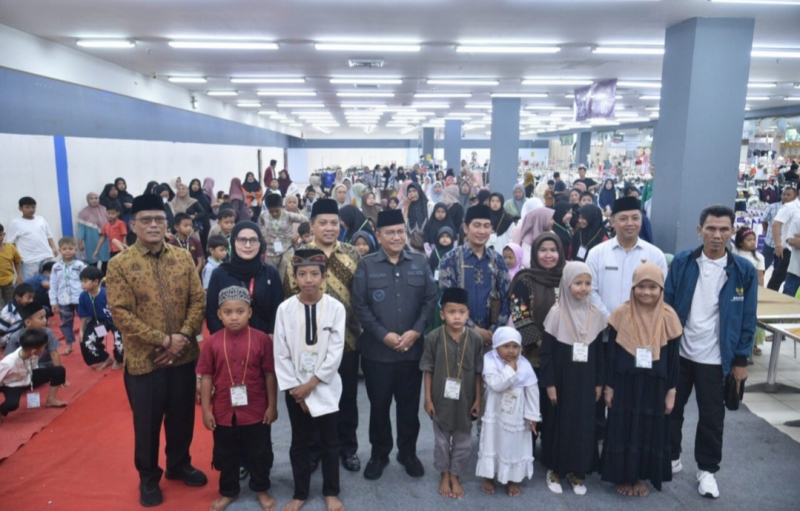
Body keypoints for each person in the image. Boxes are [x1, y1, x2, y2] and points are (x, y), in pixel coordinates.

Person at [107, 194, 208, 507]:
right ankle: (148, 477)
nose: (153, 225)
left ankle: (178, 464)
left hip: (182, 357)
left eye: (159, 220)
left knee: (181, 418)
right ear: (134, 224)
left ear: (168, 224)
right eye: (146, 220)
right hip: (144, 360)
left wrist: (180, 337)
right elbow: (121, 313)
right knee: (147, 424)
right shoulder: (119, 264)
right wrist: (164, 340)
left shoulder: (182, 257)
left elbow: (198, 300)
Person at [664, 205, 757, 499]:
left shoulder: (743, 270)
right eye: (711, 229)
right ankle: (671, 455)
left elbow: (748, 318)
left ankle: (707, 470)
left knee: (712, 418)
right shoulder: (682, 262)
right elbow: (667, 306)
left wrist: (741, 360)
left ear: (732, 232)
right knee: (671, 410)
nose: (717, 235)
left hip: (717, 359)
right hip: (680, 352)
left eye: (724, 230)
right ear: (699, 230)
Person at [352, 209, 438, 481]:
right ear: (378, 235)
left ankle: (408, 453)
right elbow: (360, 305)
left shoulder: (419, 261)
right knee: (378, 407)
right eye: (390, 232)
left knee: (408, 407)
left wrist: (416, 331)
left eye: (401, 231)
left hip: (412, 352)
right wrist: (382, 334)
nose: (397, 236)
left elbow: (430, 301)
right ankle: (379, 454)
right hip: (378, 352)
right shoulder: (366, 265)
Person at [284, 199, 362, 473]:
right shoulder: (298, 257)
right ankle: (315, 449)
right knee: (314, 398)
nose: (329, 228)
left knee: (347, 398)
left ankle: (347, 447)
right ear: (312, 225)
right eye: (323, 223)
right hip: (309, 346)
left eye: (334, 223)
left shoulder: (352, 254)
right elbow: (289, 300)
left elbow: (360, 297)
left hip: (348, 342)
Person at [601, 263, 682, 497]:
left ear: (661, 289)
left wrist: (672, 391)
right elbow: (611, 356)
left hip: (655, 385)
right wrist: (609, 386)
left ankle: (640, 477)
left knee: (649, 429)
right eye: (641, 287)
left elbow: (674, 360)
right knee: (623, 427)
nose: (646, 292)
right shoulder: (622, 313)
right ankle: (624, 476)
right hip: (625, 383)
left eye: (653, 287)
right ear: (633, 287)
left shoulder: (669, 316)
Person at [274, 249, 346, 511]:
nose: (308, 280)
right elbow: (280, 352)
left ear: (324, 277)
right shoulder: (284, 309)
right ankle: (300, 493)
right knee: (299, 442)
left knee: (330, 441)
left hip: (325, 386)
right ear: (294, 278)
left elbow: (335, 352)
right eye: (302, 274)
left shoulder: (336, 308)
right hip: (295, 389)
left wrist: (311, 385)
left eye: (314, 274)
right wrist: (297, 389)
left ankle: (331, 492)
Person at [198, 286, 278, 511]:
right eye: (228, 312)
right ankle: (228, 491)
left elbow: (270, 374)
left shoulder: (262, 340)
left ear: (250, 313)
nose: (234, 317)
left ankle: (261, 488)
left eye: (240, 311)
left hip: (256, 408)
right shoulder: (213, 342)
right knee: (226, 452)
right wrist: (206, 410)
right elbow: (206, 377)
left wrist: (272, 405)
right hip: (224, 410)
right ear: (219, 314)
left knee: (259, 451)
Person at [539, 262, 606, 496]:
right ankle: (554, 469)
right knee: (559, 423)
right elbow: (545, 354)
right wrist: (549, 384)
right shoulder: (556, 313)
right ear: (567, 284)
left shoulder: (596, 315)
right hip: (561, 380)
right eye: (578, 283)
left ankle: (578, 472)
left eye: (588, 283)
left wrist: (599, 382)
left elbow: (599, 353)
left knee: (583, 425)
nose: (583, 288)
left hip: (586, 380)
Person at [420, 287, 483, 500]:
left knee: (464, 443)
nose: (457, 316)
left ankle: (455, 474)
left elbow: (478, 373)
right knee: (440, 442)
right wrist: (427, 398)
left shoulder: (475, 339)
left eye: (462, 312)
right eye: (451, 312)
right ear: (442, 314)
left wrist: (478, 399)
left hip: (466, 401)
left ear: (468, 314)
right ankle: (444, 473)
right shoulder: (432, 338)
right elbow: (427, 369)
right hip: (440, 400)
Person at [476, 327, 541, 497]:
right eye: (506, 346)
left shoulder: (525, 365)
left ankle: (512, 478)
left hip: (516, 417)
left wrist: (533, 416)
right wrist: (510, 369)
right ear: (496, 346)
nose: (511, 351)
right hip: (495, 413)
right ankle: (489, 476)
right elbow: (496, 385)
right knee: (492, 442)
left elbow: (532, 391)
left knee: (514, 446)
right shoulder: (490, 361)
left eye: (515, 346)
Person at [585, 197, 668, 319]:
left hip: (641, 329)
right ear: (612, 222)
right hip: (603, 329)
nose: (630, 223)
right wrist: (609, 319)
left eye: (635, 218)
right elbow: (590, 290)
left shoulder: (655, 255)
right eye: (623, 219)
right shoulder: (597, 253)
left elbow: (661, 293)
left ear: (641, 221)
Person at [438, 205, 510, 345]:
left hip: (492, 338)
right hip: (459, 337)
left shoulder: (498, 260)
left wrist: (495, 331)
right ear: (466, 228)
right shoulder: (450, 259)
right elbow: (447, 300)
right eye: (477, 225)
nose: (482, 231)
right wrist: (474, 329)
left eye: (486, 226)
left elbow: (507, 298)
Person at [205, 222, 283, 337]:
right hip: (228, 343)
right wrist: (222, 340)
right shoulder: (220, 273)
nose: (247, 245)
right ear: (233, 242)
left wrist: (271, 335)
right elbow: (212, 312)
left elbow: (278, 308)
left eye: (253, 240)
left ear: (260, 243)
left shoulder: (270, 273)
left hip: (264, 343)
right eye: (242, 240)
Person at [509, 232, 565, 387]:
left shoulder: (567, 278)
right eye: (543, 250)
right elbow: (520, 317)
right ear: (534, 253)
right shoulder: (524, 280)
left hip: (564, 354)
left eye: (553, 250)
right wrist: (545, 345)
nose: (548, 255)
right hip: (532, 357)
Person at [0, 328, 67, 425]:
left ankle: (51, 399)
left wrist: (44, 378)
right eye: (44, 347)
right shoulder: (8, 363)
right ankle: (1, 411)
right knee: (13, 404)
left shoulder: (32, 354)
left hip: (28, 377)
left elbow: (35, 367)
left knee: (59, 370)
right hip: (11, 384)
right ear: (34, 351)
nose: (45, 348)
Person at [77, 266, 123, 371]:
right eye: (81, 281)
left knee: (120, 342)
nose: (82, 284)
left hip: (115, 320)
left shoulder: (107, 293)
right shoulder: (83, 296)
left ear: (96, 282)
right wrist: (81, 330)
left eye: (85, 281)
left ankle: (118, 358)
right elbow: (83, 315)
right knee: (87, 341)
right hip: (98, 321)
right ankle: (106, 358)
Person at [48, 237, 86, 356]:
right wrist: (53, 301)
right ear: (59, 250)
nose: (67, 251)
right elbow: (53, 284)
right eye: (64, 249)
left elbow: (86, 281)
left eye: (70, 248)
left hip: (79, 298)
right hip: (63, 300)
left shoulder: (80, 265)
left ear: (75, 250)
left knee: (86, 320)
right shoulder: (56, 267)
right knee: (66, 323)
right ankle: (69, 344)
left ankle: (87, 341)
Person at [6, 197, 58, 279]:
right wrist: (15, 258)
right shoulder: (15, 223)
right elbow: (11, 243)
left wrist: (54, 248)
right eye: (27, 207)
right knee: (32, 284)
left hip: (46, 256)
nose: (31, 209)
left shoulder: (41, 219)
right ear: (20, 208)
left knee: (50, 280)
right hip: (28, 260)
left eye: (33, 207)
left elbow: (49, 235)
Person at [259, 193, 307, 280]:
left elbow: (306, 220)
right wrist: (264, 237)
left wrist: (298, 235)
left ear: (281, 206)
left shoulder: (289, 215)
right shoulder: (263, 215)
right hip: (270, 252)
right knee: (269, 278)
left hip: (287, 251)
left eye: (277, 211)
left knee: (286, 279)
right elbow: (260, 226)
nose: (274, 213)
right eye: (271, 211)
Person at [769, 183, 800, 291]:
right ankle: (768, 301)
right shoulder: (790, 207)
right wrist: (778, 245)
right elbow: (776, 224)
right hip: (788, 249)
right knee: (779, 277)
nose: (785, 196)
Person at [761, 186, 797, 270]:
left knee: (779, 270)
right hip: (770, 243)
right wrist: (766, 231)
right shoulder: (772, 207)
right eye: (783, 194)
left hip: (785, 246)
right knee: (763, 267)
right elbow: (764, 220)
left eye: (789, 195)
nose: (785, 196)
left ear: (795, 196)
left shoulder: (796, 210)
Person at [76, 193, 110, 269]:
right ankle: (94, 278)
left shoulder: (104, 209)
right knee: (92, 260)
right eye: (91, 199)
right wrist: (80, 242)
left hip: (105, 238)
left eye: (96, 198)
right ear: (88, 200)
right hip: (91, 238)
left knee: (106, 260)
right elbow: (81, 228)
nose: (94, 200)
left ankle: (104, 278)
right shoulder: (83, 212)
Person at [93, 203, 128, 272]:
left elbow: (124, 235)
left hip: (120, 249)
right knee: (113, 267)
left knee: (121, 267)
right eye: (108, 213)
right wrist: (97, 250)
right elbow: (103, 237)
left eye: (113, 213)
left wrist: (124, 248)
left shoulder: (121, 223)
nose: (110, 215)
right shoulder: (106, 225)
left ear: (118, 213)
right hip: (112, 250)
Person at [0, 224, 23, 308]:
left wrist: (19, 276)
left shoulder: (10, 248)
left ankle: (11, 320)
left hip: (9, 282)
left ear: (3, 235)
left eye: (0, 235)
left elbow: (17, 261)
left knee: (11, 305)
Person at [189, 178, 214, 254]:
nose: (195, 186)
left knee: (204, 241)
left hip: (204, 222)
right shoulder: (188, 196)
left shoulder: (203, 196)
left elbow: (207, 209)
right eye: (194, 184)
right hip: (193, 222)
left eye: (197, 184)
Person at [403, 183, 429, 253]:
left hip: (427, 246)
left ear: (419, 191)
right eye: (409, 192)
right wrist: (406, 207)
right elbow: (403, 225)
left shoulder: (429, 205)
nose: (412, 194)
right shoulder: (406, 207)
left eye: (414, 191)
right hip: (411, 247)